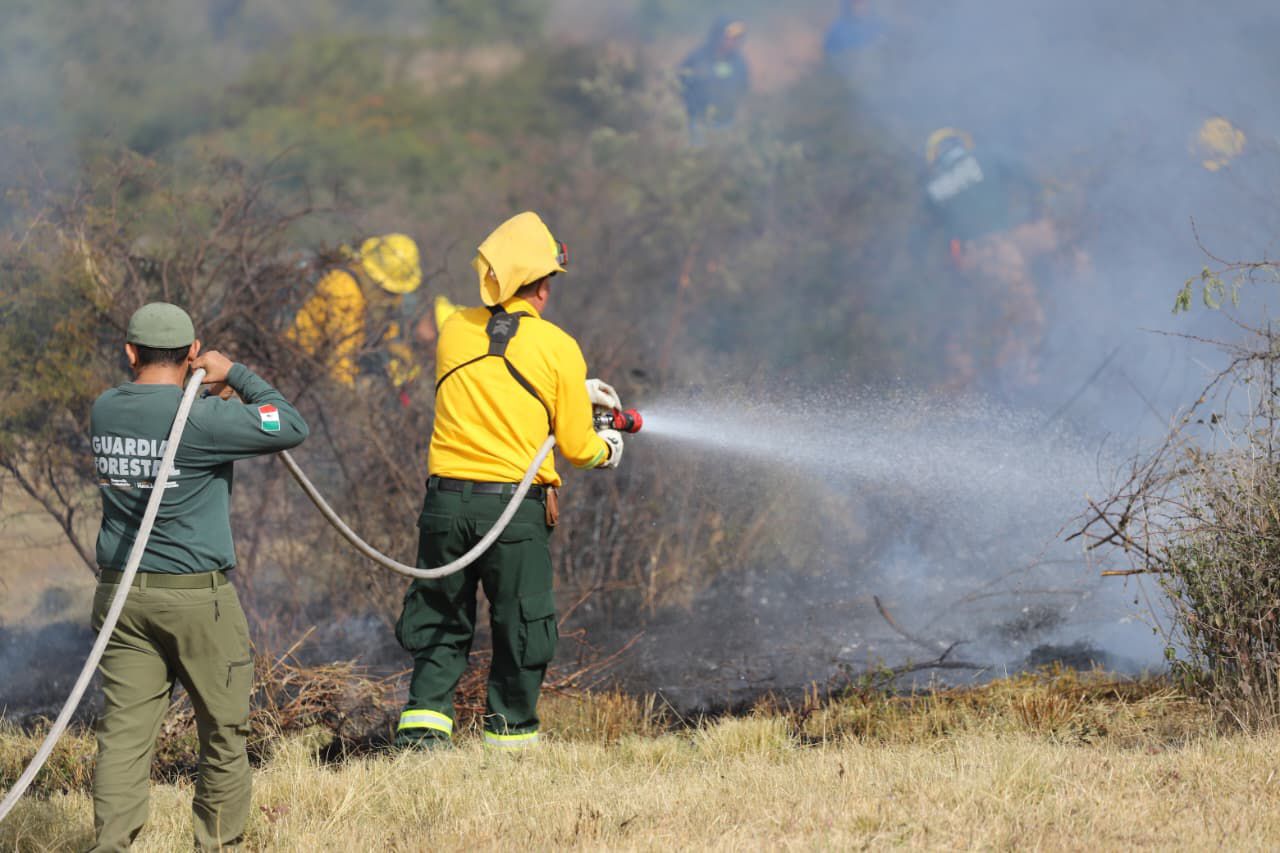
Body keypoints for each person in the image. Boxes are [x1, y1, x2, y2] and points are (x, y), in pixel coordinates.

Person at [393, 211, 625, 750]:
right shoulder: (558, 346)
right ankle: (510, 739)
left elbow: (495, 369)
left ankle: (423, 735)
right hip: (514, 514)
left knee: (441, 619)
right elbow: (576, 447)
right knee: (522, 627)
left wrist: (568, 387)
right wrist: (606, 448)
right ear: (539, 287)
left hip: (445, 509)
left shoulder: (454, 329)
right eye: (548, 282)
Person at [88, 303, 309, 851]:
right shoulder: (204, 419)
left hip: (121, 599)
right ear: (191, 355)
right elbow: (290, 423)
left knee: (123, 738)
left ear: (130, 353)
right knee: (224, 733)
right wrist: (232, 374)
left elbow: (159, 418)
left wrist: (202, 395)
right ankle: (217, 843)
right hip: (195, 601)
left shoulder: (105, 408)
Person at [923, 127, 1059, 388]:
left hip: (970, 260)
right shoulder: (987, 157)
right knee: (1027, 312)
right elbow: (1028, 176)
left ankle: (1008, 378)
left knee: (997, 317)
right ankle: (1028, 380)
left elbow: (934, 233)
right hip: (999, 248)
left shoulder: (932, 188)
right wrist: (1037, 209)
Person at [287, 233, 432, 404]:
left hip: (322, 366)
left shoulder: (377, 296)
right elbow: (340, 359)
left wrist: (402, 361)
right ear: (373, 277)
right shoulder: (344, 290)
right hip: (296, 363)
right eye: (388, 291)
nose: (393, 298)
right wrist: (348, 404)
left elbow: (387, 333)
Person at [678, 17, 750, 144]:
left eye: (736, 38)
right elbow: (680, 81)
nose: (733, 42)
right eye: (729, 37)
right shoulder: (697, 58)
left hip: (727, 123)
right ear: (717, 37)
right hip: (700, 123)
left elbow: (744, 87)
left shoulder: (739, 62)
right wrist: (691, 106)